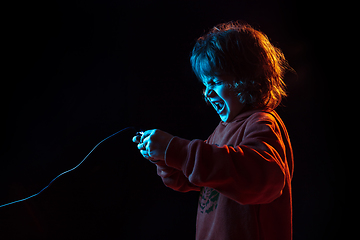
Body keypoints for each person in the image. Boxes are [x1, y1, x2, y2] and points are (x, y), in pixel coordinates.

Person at [132, 21, 294, 240]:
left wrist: (176, 150)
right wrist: (163, 157)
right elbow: (192, 177)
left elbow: (264, 178)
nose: (207, 93)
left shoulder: (261, 122)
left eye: (215, 82)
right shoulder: (220, 132)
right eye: (205, 84)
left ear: (247, 79)